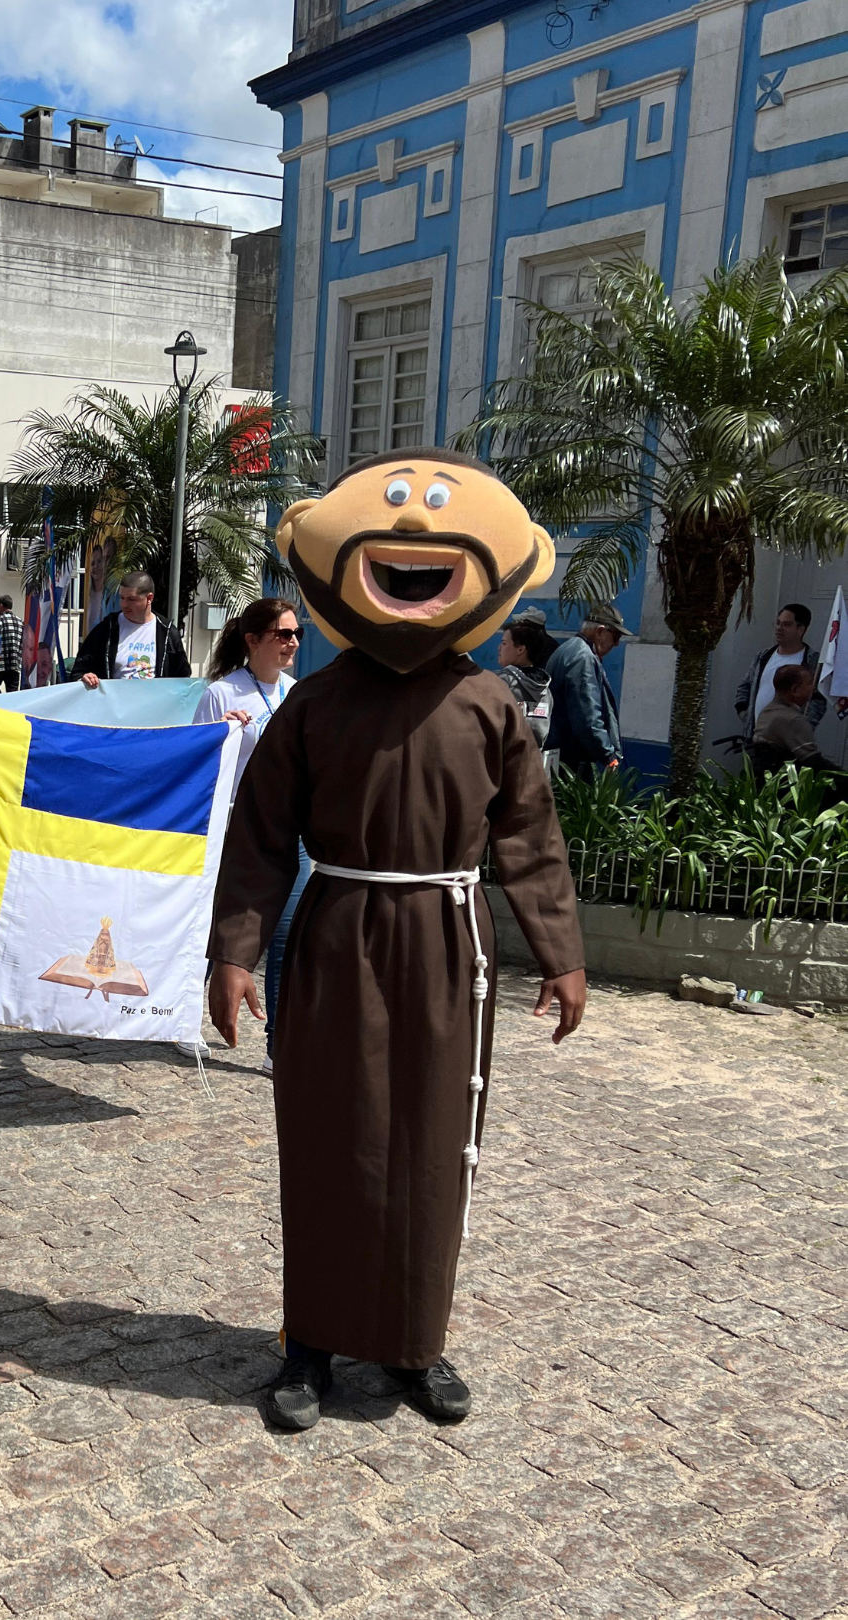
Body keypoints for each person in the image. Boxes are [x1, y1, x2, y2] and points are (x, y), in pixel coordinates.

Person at [208, 449, 585, 1433]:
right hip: (337, 937)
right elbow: (257, 836)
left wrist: (561, 952)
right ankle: (309, 1348)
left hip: (450, 948)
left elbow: (530, 838)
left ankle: (417, 1345)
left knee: (428, 1145)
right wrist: (235, 953)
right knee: (329, 1139)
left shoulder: (490, 704)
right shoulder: (316, 707)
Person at [193, 598, 303, 1073]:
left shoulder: (298, 694)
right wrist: (218, 735)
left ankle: (280, 1044)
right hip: (236, 827)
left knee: (287, 935)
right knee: (210, 927)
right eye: (283, 634)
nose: (293, 642)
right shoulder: (222, 693)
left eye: (296, 633)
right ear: (253, 640)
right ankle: (181, 1019)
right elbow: (193, 761)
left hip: (291, 830)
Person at [544, 604, 629, 773]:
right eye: (616, 636)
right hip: (571, 759)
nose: (617, 643)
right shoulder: (582, 657)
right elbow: (587, 714)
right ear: (600, 631)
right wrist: (607, 755)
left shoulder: (570, 649)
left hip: (561, 752)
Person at [72, 572, 192, 686]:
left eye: (131, 599)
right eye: (122, 598)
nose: (124, 604)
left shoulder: (167, 633)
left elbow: (182, 678)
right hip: (115, 705)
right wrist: (85, 676)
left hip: (154, 706)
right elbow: (79, 670)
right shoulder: (106, 629)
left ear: (149, 598)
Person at [735, 602, 826, 744]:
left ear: (801, 629)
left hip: (788, 742)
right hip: (755, 737)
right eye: (777, 623)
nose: (779, 628)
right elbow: (746, 684)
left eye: (787, 624)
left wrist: (802, 728)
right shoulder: (763, 656)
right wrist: (743, 712)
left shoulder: (811, 662)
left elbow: (818, 700)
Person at [753, 665, 843, 779]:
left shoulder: (766, 712)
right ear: (795, 690)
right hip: (783, 784)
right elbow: (813, 762)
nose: (813, 688)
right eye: (809, 683)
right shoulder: (792, 719)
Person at [495, 622, 554, 749]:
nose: (499, 648)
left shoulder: (500, 683)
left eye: (504, 643)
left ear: (520, 649)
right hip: (533, 762)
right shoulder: (546, 690)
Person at [0, 594, 23, 693]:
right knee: (13, 693)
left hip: (0, 664)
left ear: (1, 605)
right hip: (15, 663)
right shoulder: (20, 622)